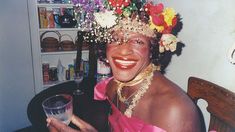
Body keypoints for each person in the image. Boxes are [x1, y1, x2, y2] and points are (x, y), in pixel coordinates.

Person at [46, 0, 203, 132]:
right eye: (114, 39)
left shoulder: (174, 111)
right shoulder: (115, 85)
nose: (123, 51)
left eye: (137, 41)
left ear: (152, 50)